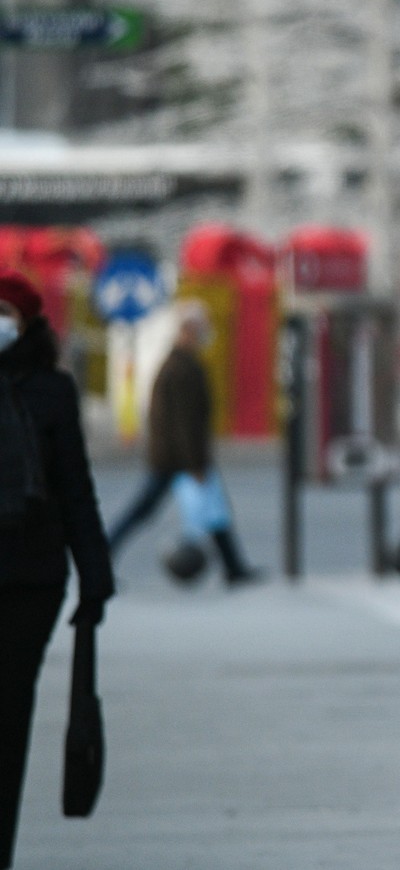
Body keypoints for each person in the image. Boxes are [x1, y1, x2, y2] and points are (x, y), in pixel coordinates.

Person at [0, 271, 112, 870]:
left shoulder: (52, 392)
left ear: (26, 323)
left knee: (9, 716)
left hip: (29, 582)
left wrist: (96, 576)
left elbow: (75, 491)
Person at [107, 301, 260, 583]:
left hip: (177, 457)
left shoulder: (179, 363)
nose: (203, 335)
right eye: (199, 329)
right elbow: (183, 423)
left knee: (213, 511)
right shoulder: (181, 367)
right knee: (147, 510)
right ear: (187, 330)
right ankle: (102, 559)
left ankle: (233, 567)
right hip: (178, 458)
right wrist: (195, 464)